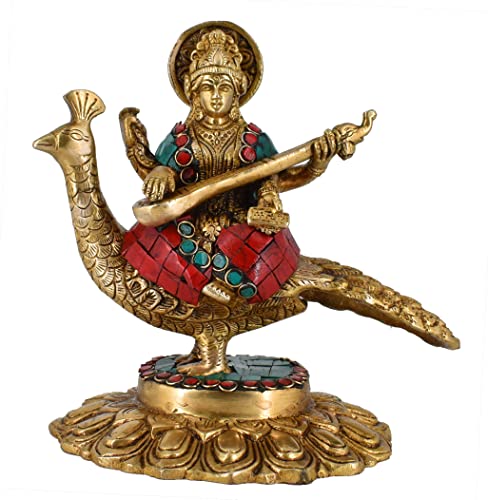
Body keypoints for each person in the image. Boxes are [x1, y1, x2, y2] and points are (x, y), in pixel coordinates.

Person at [122, 29, 336, 305]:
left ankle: (217, 279)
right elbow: (158, 173)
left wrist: (316, 164)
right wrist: (161, 172)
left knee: (263, 247)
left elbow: (281, 179)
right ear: (193, 92)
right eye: (207, 87)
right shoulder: (181, 138)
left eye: (223, 88)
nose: (215, 96)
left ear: (237, 90)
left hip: (239, 223)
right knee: (156, 236)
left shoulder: (253, 139)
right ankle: (202, 282)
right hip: (189, 223)